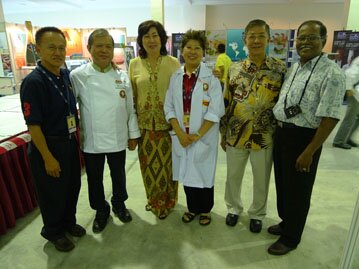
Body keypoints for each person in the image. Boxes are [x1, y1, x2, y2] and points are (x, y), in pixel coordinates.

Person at [269, 20, 346, 255]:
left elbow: (330, 117)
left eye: (312, 37)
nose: (304, 42)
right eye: (301, 38)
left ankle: (291, 237)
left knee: (299, 190)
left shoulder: (332, 73)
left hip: (305, 139)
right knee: (283, 184)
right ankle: (286, 222)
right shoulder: (294, 68)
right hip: (283, 133)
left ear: (323, 41)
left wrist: (310, 151)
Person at [20, 27, 85, 252]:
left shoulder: (64, 75)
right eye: (51, 48)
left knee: (71, 187)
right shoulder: (34, 82)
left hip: (68, 142)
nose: (58, 53)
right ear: (38, 50)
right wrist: (47, 157)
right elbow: (33, 125)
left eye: (61, 48)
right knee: (52, 193)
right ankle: (54, 231)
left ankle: (68, 222)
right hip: (47, 146)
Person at [70, 29, 140, 233]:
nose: (104, 50)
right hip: (93, 140)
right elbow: (69, 106)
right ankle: (101, 210)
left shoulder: (122, 76)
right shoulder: (78, 76)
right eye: (99, 46)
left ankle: (119, 204)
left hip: (118, 137)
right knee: (94, 178)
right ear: (89, 49)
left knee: (119, 175)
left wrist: (133, 134)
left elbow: (130, 109)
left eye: (108, 46)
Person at [220, 19, 286, 233]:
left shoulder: (280, 69)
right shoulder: (234, 69)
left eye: (261, 36)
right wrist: (223, 133)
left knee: (261, 179)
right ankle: (233, 208)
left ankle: (257, 214)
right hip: (235, 135)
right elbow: (227, 101)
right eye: (252, 36)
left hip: (265, 136)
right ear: (244, 39)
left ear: (268, 39)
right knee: (233, 176)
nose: (256, 40)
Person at [164, 29, 225, 226]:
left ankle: (205, 210)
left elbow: (215, 111)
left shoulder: (212, 78)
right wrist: (180, 133)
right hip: (182, 135)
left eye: (197, 48)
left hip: (203, 135)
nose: (192, 51)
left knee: (204, 172)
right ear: (182, 50)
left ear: (203, 52)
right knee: (187, 172)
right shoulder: (175, 77)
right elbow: (169, 107)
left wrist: (197, 135)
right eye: (188, 47)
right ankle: (192, 208)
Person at [128, 20, 180, 219]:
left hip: (168, 127)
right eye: (146, 36)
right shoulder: (134, 64)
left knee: (168, 167)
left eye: (155, 35)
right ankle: (153, 200)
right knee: (148, 167)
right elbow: (132, 98)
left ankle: (168, 201)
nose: (151, 40)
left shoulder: (173, 63)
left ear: (162, 38)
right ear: (141, 41)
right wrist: (131, 131)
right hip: (144, 129)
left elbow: (181, 95)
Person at [333, 55, 359, 149]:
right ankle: (339, 140)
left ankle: (347, 138)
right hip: (355, 93)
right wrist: (348, 88)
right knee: (350, 118)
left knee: (357, 119)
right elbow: (350, 73)